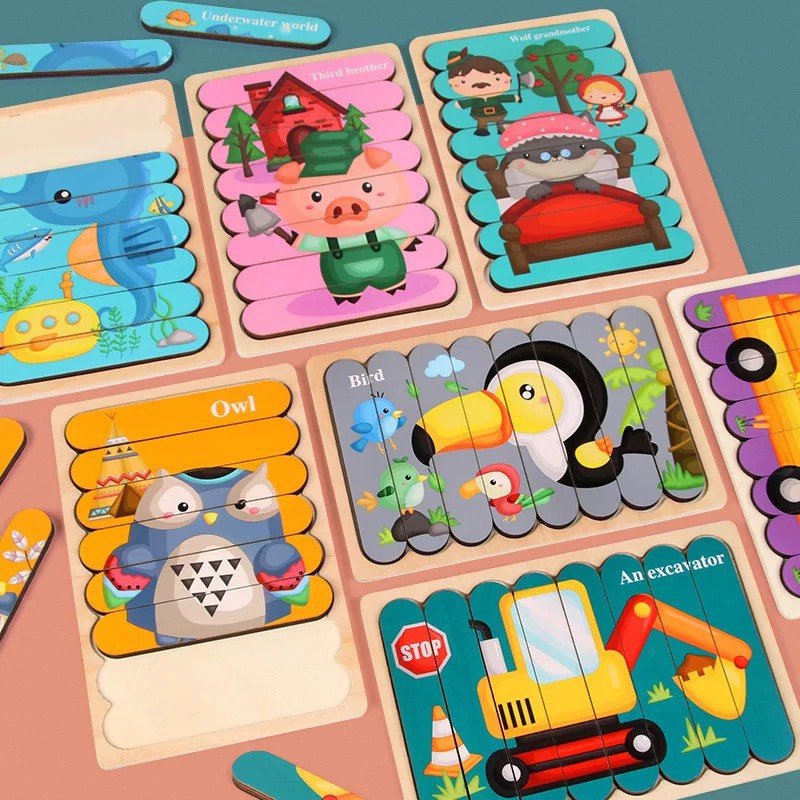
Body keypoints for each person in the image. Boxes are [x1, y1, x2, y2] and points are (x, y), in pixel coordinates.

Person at [447, 48, 520, 136]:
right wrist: (461, 104)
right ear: (451, 82)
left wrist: (514, 98)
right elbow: (468, 102)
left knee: (500, 121)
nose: (480, 84)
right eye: (463, 81)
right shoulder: (475, 100)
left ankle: (501, 128)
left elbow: (504, 98)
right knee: (482, 122)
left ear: (509, 77)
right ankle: (482, 129)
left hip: (498, 112)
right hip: (480, 114)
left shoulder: (495, 97)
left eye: (497, 79)